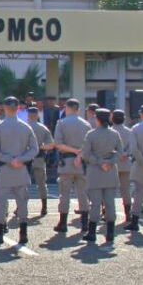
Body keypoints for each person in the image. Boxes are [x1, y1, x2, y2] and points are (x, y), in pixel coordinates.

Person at [0, 97, 39, 244]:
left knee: (1, 202)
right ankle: (23, 233)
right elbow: (34, 149)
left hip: (4, 169)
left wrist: (8, 159)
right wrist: (20, 159)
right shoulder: (26, 127)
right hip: (21, 170)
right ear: (18, 108)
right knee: (22, 202)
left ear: (3, 107)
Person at [83, 108, 123, 243]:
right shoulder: (115, 134)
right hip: (111, 172)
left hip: (95, 171)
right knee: (110, 203)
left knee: (95, 203)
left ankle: (92, 232)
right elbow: (120, 152)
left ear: (97, 119)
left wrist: (100, 162)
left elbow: (86, 154)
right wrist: (110, 162)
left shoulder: (91, 134)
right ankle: (110, 233)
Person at [52, 98, 91, 233]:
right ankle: (85, 223)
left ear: (66, 108)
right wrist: (79, 154)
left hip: (66, 162)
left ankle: (63, 223)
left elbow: (58, 144)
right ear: (78, 109)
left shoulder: (61, 123)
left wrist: (74, 151)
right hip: (82, 163)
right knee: (83, 193)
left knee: (64, 193)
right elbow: (88, 146)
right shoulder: (86, 124)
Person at [27, 107, 54, 217]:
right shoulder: (43, 128)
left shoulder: (24, 126)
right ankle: (44, 207)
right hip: (39, 158)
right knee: (42, 183)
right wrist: (40, 147)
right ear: (37, 115)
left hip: (25, 159)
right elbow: (51, 145)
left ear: (28, 115)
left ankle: (21, 207)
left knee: (23, 184)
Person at [111, 109, 134, 220]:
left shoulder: (110, 131)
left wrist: (118, 154)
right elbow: (132, 147)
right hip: (126, 163)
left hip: (112, 163)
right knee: (126, 189)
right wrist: (125, 154)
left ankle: (108, 212)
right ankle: (128, 213)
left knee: (109, 189)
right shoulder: (129, 131)